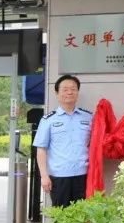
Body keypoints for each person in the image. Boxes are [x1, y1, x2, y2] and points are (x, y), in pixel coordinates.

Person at [33, 74, 92, 208]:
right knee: (61, 217)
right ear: (57, 93)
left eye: (73, 89)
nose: (70, 92)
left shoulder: (88, 117)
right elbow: (41, 149)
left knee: (82, 217)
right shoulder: (48, 120)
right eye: (65, 89)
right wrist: (44, 176)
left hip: (83, 175)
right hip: (59, 177)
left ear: (78, 92)